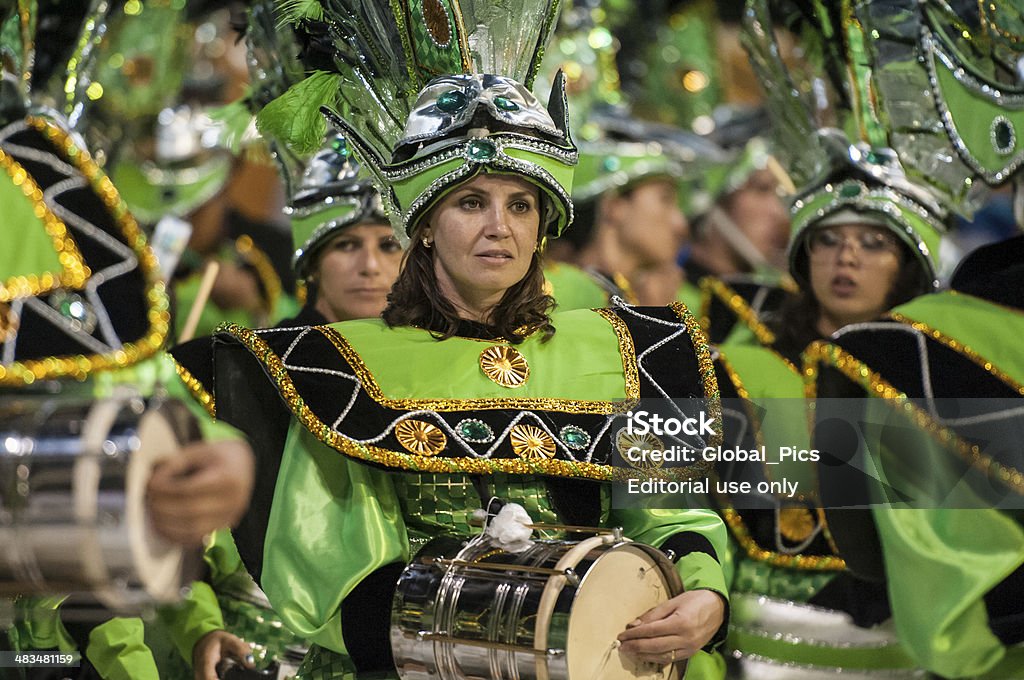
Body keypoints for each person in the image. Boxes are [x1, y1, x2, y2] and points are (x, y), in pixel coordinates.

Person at [173, 3, 730, 679]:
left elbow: (671, 516)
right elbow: (342, 581)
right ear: (427, 226)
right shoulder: (342, 368)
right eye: (471, 203)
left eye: (520, 204)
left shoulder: (622, 349)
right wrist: (525, 638)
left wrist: (703, 592)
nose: (500, 226)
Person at [709, 140, 948, 677]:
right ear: (804, 258)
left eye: (873, 243)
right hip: (758, 653)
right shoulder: (727, 369)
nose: (847, 257)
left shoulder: (937, 378)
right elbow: (669, 502)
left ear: (908, 266)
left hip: (908, 654)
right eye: (828, 241)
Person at [175, 132, 404, 680]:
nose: (370, 266)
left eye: (388, 245)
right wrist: (197, 622)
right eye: (347, 245)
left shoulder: (441, 370)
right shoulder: (233, 371)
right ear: (311, 266)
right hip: (248, 647)